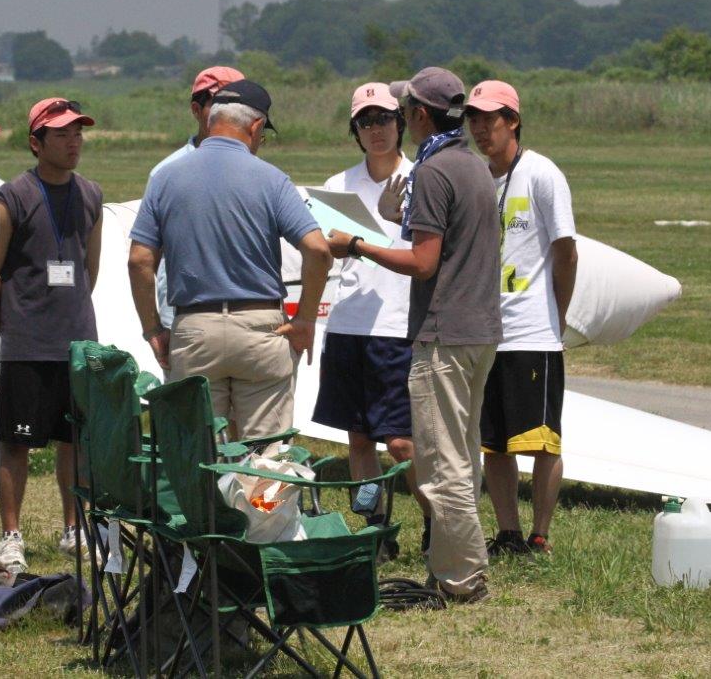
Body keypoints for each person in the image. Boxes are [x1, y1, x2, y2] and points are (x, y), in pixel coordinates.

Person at [326, 67, 501, 604]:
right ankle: (458, 565)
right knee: (463, 457)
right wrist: (395, 222)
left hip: (443, 335)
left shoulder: (431, 171)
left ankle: (461, 578)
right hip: (480, 333)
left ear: (419, 116)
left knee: (442, 463)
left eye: (402, 111)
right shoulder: (473, 165)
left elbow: (425, 263)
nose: (397, 119)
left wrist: (358, 246)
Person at [129, 79, 333, 443]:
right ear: (255, 127)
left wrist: (153, 329)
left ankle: (205, 502)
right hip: (261, 328)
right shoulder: (272, 179)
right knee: (267, 458)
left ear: (210, 122)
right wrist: (304, 318)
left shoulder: (164, 178)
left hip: (195, 328)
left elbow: (139, 260)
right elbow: (318, 250)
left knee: (199, 456)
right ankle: (262, 502)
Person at [0, 97, 103, 574]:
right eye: (61, 134)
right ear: (36, 142)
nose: (73, 141)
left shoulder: (91, 194)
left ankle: (74, 526)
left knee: (75, 441)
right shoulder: (11, 197)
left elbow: (89, 268)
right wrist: (8, 320)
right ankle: (10, 534)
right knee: (16, 443)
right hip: (26, 343)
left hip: (77, 341)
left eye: (78, 132)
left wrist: (70, 310)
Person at [464, 80, 578, 556]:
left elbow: (565, 250)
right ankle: (508, 532)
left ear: (512, 120)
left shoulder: (541, 173)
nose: (480, 129)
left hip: (532, 330)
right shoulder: (473, 176)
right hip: (485, 330)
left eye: (489, 120)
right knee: (493, 443)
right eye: (473, 120)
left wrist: (556, 313)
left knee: (542, 441)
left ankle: (540, 534)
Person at [311, 83, 415, 556]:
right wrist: (337, 242)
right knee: (357, 438)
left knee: (400, 441)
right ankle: (375, 527)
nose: (377, 130)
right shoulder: (339, 184)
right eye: (366, 122)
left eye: (385, 119)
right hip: (348, 322)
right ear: (356, 131)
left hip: (397, 325)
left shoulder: (421, 178)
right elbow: (323, 245)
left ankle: (437, 521)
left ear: (401, 124)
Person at [148, 65, 245, 330]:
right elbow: (145, 258)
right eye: (218, 104)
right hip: (184, 317)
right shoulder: (164, 173)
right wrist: (154, 327)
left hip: (247, 316)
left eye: (237, 104)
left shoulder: (258, 171)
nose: (228, 114)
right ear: (195, 110)